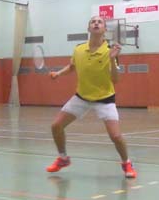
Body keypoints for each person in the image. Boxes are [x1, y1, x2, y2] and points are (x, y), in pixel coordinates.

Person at [46, 15, 137, 178]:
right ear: (88, 28)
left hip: (105, 99)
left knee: (116, 136)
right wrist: (58, 74)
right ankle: (63, 158)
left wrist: (112, 59)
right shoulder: (79, 49)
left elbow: (116, 79)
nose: (96, 23)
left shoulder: (111, 51)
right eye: (93, 22)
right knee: (56, 126)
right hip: (82, 96)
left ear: (105, 29)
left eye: (99, 22)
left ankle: (127, 163)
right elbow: (72, 66)